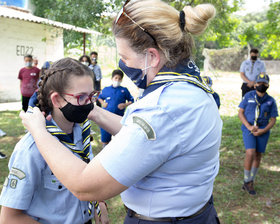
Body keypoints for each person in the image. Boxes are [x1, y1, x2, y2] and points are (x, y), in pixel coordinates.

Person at [20, 1, 222, 223]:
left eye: (125, 57)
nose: (122, 64)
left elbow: (85, 186)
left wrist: (39, 131)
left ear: (152, 56)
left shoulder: (161, 109)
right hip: (199, 213)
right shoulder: (191, 87)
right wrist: (94, 112)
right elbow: (145, 136)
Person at [0, 58, 109, 224]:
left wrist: (98, 202)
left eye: (92, 95)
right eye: (81, 97)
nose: (89, 104)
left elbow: (86, 178)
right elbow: (10, 218)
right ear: (57, 99)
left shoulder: (82, 134)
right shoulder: (31, 148)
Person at [238, 73, 278, 195]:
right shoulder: (248, 96)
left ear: (268, 85)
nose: (261, 85)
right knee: (250, 152)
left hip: (262, 130)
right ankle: (246, 180)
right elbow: (240, 113)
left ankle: (251, 180)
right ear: (255, 84)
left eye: (264, 83)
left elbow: (273, 119)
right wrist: (249, 126)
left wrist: (263, 130)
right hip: (248, 129)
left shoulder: (270, 101)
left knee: (258, 155)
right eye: (259, 83)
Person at [98, 69, 134, 147]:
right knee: (105, 138)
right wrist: (102, 103)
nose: (117, 80)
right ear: (112, 79)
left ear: (121, 80)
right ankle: (105, 151)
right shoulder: (106, 89)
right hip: (106, 118)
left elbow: (132, 100)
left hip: (119, 118)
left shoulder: (124, 90)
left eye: (119, 79)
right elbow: (99, 97)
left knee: (119, 137)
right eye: (116, 78)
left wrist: (125, 105)